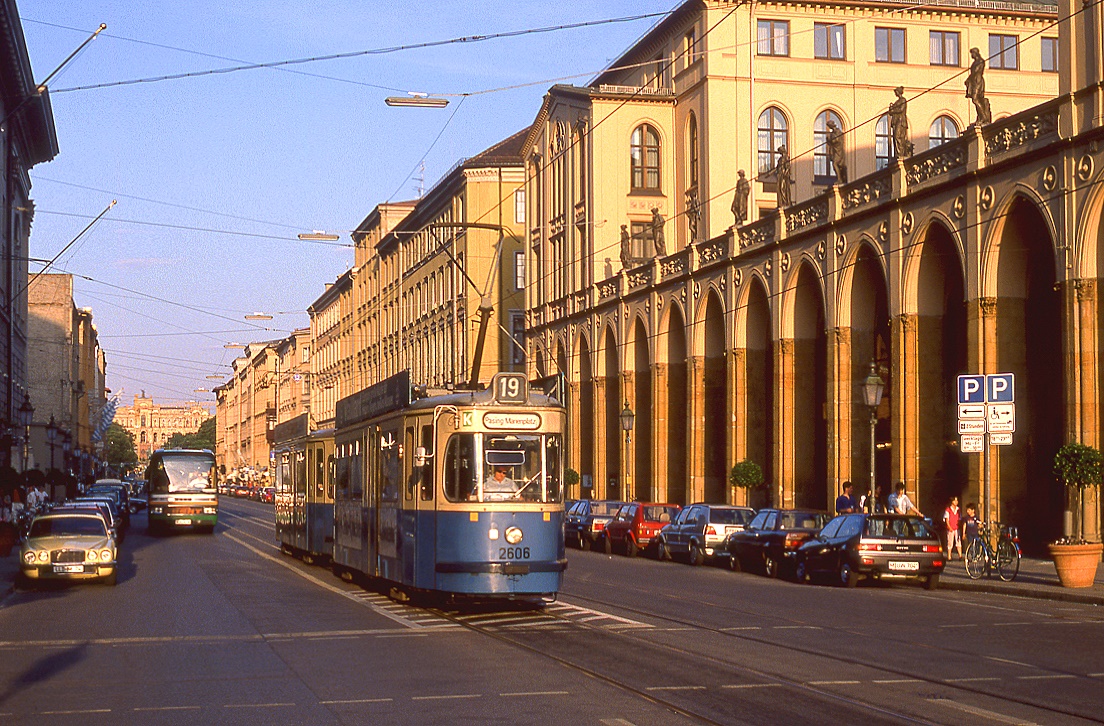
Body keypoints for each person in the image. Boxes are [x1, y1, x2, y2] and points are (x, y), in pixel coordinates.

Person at [965, 47, 992, 125]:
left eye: (972, 53)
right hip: (974, 80)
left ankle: (983, 117)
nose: (971, 55)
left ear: (975, 53)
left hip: (978, 81)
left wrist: (969, 78)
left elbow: (976, 71)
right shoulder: (976, 62)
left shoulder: (980, 61)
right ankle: (980, 117)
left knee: (975, 99)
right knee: (978, 99)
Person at [889, 86, 913, 159]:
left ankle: (900, 153)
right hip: (896, 121)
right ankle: (897, 154)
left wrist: (893, 110)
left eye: (896, 92)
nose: (895, 93)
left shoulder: (903, 100)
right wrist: (891, 109)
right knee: (895, 138)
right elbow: (891, 112)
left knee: (898, 136)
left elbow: (901, 109)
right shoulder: (897, 102)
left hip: (900, 120)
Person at [826, 119, 848, 184]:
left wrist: (830, 140)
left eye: (829, 126)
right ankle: (841, 178)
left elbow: (837, 140)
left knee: (835, 164)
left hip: (839, 151)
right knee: (838, 165)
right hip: (836, 151)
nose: (829, 127)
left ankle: (840, 179)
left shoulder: (837, 131)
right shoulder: (833, 132)